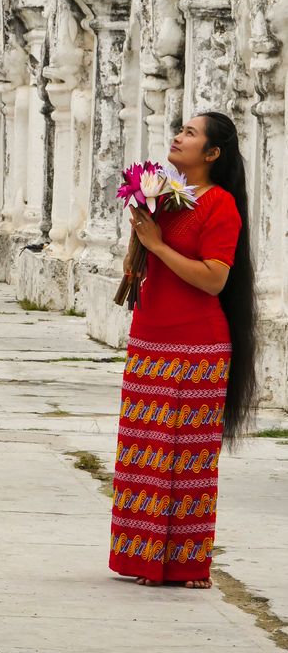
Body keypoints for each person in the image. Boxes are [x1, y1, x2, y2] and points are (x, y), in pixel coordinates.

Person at [109, 112, 257, 588]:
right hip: (150, 339)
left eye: (191, 133)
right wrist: (143, 233)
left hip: (197, 348)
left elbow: (215, 279)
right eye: (182, 129)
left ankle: (188, 565)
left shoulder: (220, 205)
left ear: (212, 154)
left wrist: (157, 244)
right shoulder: (164, 196)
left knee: (187, 458)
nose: (179, 136)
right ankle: (143, 559)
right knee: (145, 454)